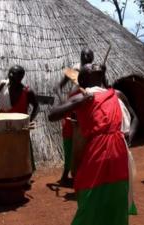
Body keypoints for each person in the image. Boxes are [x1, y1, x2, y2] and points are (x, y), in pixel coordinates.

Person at [49, 63, 138, 225]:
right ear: (83, 79)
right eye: (88, 67)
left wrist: (130, 134)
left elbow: (135, 117)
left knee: (116, 199)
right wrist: (78, 102)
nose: (93, 65)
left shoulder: (117, 94)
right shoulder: (82, 97)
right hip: (96, 153)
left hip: (119, 153)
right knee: (90, 199)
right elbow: (53, 115)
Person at [0, 65, 39, 187]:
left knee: (22, 151)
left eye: (14, 76)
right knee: (3, 149)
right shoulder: (3, 86)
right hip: (3, 124)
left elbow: (36, 107)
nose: (10, 78)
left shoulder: (28, 92)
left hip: (19, 126)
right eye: (10, 75)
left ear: (20, 78)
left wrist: (29, 121)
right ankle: (3, 174)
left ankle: (25, 175)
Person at [55, 48, 94, 186]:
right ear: (80, 58)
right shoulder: (74, 71)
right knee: (69, 143)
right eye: (84, 55)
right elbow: (58, 87)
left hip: (86, 111)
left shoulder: (94, 72)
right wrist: (63, 102)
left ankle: (82, 174)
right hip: (71, 110)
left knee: (86, 144)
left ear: (92, 58)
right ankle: (65, 175)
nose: (86, 57)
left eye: (89, 56)